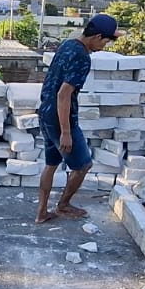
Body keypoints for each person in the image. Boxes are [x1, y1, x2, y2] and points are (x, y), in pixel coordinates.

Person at [35, 14, 117, 223]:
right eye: (106, 41)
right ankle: (63, 205)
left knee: (51, 163)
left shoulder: (67, 44)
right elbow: (64, 94)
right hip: (60, 116)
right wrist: (66, 132)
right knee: (83, 165)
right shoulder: (82, 57)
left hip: (45, 110)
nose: (105, 46)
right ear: (97, 36)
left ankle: (42, 213)